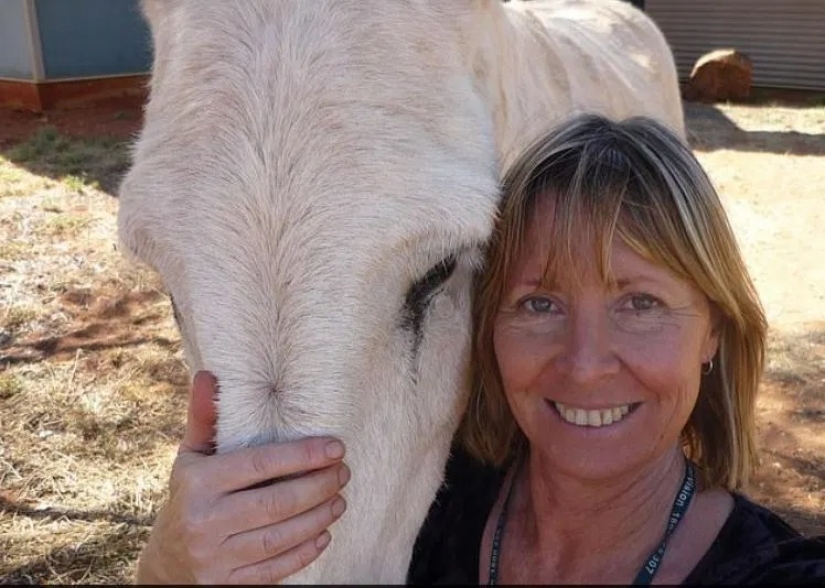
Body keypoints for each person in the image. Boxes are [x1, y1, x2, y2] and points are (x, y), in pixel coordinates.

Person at [136, 114, 825, 584]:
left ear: (713, 331)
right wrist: (172, 560)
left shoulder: (769, 569)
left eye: (639, 303)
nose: (585, 362)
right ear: (486, 327)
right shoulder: (413, 503)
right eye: (538, 303)